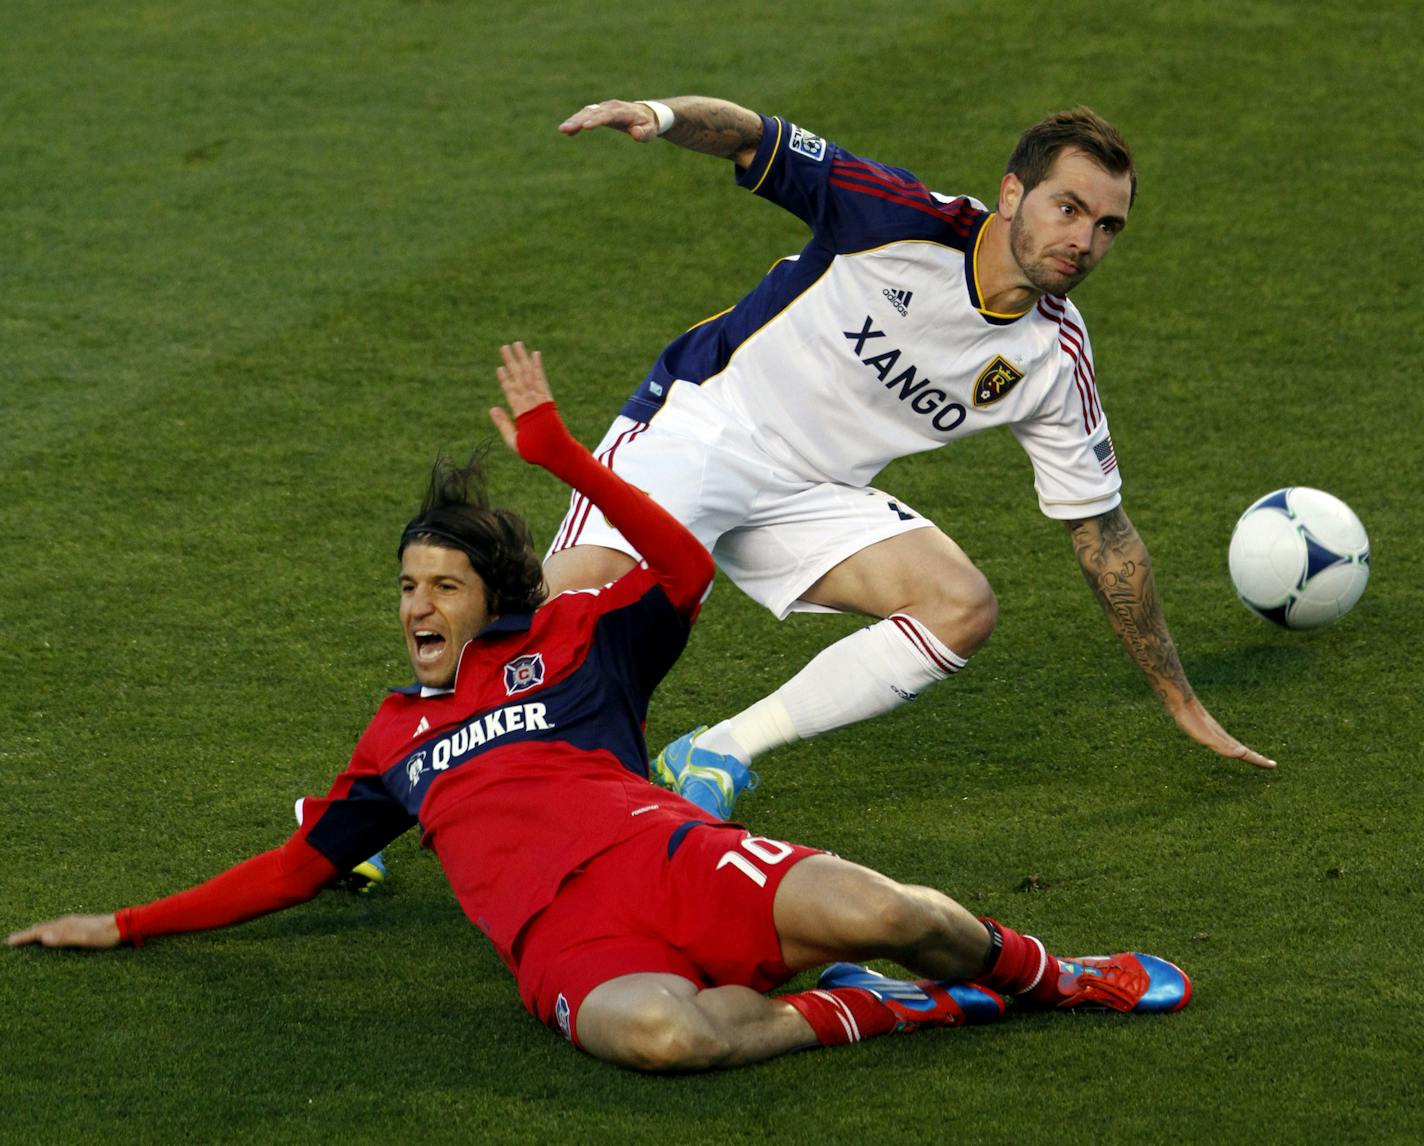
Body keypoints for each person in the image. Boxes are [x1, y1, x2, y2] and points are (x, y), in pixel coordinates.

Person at [8, 343, 1191, 1072]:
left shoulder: (573, 646)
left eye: (442, 585)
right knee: (666, 1039)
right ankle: (884, 1014)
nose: (417, 605)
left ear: (491, 598)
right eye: (406, 586)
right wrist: (126, 924)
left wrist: (565, 456)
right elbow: (293, 870)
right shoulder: (389, 744)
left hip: (668, 856)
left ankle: (1050, 976)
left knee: (883, 906)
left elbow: (679, 567)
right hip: (565, 946)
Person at [548, 96, 1275, 818]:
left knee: (959, 606)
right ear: (1013, 193)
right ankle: (442, 742)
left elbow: (1103, 534)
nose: (1083, 240)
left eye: (1107, 225)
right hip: (704, 427)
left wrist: (1179, 698)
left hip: (811, 493)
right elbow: (756, 138)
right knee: (569, 618)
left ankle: (723, 748)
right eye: (1069, 209)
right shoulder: (897, 217)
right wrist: (659, 115)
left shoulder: (1053, 356)